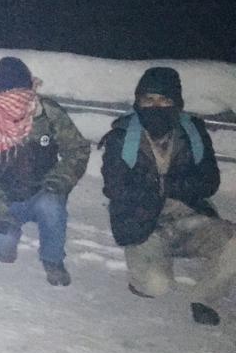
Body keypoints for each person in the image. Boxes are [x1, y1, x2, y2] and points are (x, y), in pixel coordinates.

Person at [100, 67, 236, 326]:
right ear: (138, 102)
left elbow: (209, 181)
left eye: (164, 100)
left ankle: (205, 298)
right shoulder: (121, 137)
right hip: (141, 221)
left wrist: (163, 186)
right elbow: (116, 187)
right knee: (156, 286)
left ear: (176, 103)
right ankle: (145, 271)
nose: (156, 106)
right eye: (148, 99)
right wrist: (164, 189)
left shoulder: (192, 133)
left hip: (188, 216)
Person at [0, 57, 89, 286]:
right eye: (7, 93)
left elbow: (77, 149)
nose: (14, 101)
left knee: (51, 206)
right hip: (5, 197)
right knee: (1, 242)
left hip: (42, 192)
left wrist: (57, 183)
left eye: (19, 93)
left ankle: (52, 259)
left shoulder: (47, 113)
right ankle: (8, 237)